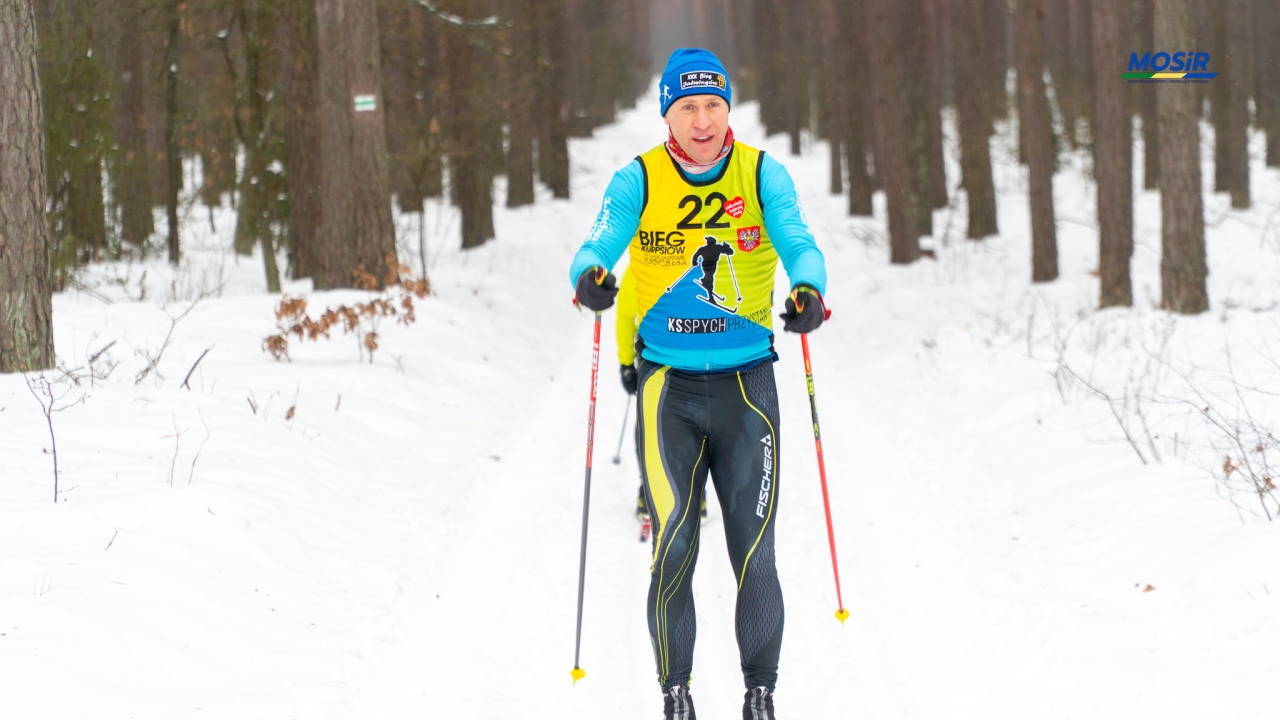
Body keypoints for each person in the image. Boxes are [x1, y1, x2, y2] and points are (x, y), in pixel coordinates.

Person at [570, 48, 828, 720]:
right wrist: (592, 277)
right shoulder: (640, 180)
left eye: (713, 105)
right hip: (667, 393)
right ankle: (676, 694)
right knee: (675, 546)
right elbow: (597, 243)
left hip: (748, 391)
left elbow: (799, 241)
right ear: (667, 113)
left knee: (755, 555)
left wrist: (808, 288)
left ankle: (760, 694)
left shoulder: (762, 174)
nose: (703, 120)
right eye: (687, 107)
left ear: (728, 109)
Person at [617, 267, 706, 542]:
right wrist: (625, 363)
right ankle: (659, 489)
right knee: (668, 422)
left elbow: (624, 318)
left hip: (668, 354)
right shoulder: (641, 266)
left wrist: (625, 363)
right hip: (660, 353)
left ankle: (677, 490)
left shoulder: (643, 267)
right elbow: (625, 315)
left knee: (658, 422)